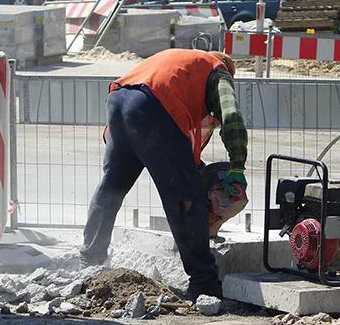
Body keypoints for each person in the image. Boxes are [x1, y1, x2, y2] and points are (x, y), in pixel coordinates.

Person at [80, 49, 248, 301]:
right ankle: (204, 283)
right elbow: (231, 116)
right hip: (155, 105)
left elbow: (177, 146)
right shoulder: (218, 70)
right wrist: (237, 165)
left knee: (111, 188)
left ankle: (90, 263)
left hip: (119, 100)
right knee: (185, 199)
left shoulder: (181, 64)